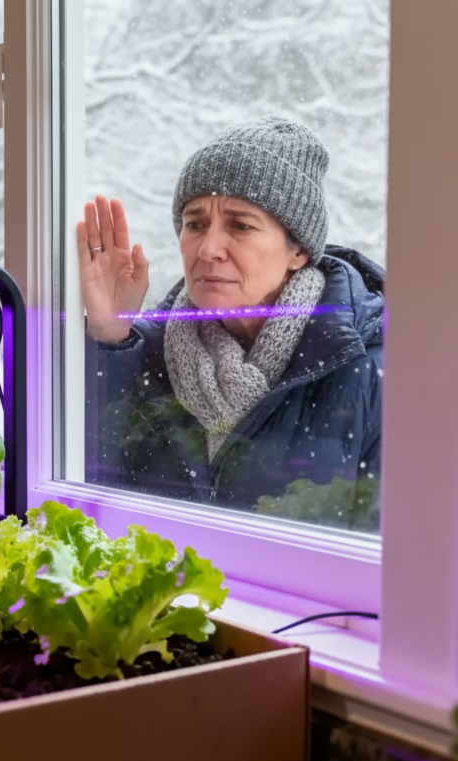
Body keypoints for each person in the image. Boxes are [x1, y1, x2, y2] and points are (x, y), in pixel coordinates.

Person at [78, 116, 384, 528]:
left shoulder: (367, 368)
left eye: (240, 225)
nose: (207, 249)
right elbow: (85, 494)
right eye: (195, 223)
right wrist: (107, 339)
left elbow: (393, 551)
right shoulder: (145, 353)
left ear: (298, 252)